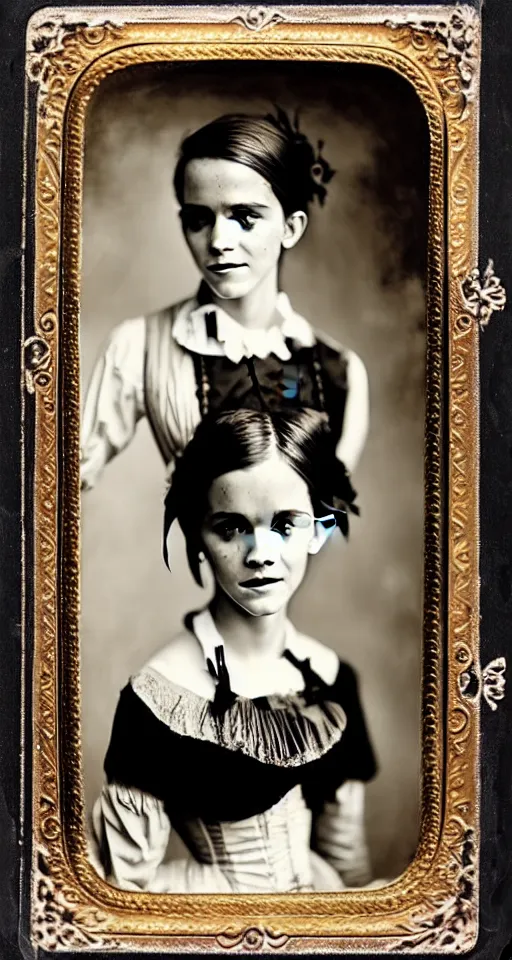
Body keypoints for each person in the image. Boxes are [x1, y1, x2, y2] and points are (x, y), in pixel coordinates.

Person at [90, 408, 378, 894]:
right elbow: (121, 889)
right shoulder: (156, 702)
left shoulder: (331, 677)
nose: (260, 552)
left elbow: (346, 859)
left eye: (286, 524)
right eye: (230, 527)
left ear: (317, 529)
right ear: (197, 537)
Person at [80, 109, 369, 491]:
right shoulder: (138, 348)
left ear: (291, 227)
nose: (218, 242)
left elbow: (325, 517)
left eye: (245, 217)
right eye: (199, 219)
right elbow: (55, 483)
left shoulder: (338, 372)